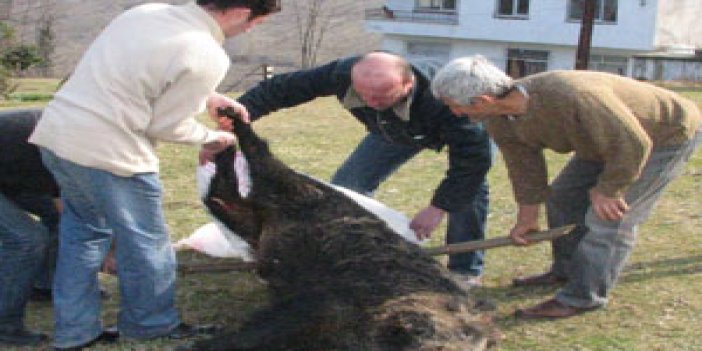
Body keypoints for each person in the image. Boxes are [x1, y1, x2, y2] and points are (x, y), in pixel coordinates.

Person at [29, 1, 281, 350]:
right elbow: (165, 124)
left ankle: (75, 331)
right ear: (240, 11)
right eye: (258, 21)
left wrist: (208, 97)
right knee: (147, 243)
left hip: (58, 136)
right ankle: (151, 324)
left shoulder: (146, 13)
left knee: (84, 234)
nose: (252, 28)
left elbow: (141, 72)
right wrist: (214, 138)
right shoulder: (207, 52)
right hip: (110, 153)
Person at [431, 55, 702, 319]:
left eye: (454, 106)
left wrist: (609, 190)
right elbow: (524, 166)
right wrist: (528, 218)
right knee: (562, 197)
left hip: (664, 135)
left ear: (482, 100)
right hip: (602, 141)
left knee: (610, 218)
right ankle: (567, 270)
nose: (456, 114)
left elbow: (633, 143)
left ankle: (584, 297)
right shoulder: (497, 118)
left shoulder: (573, 96)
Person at [229, 51, 493, 287]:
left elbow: (472, 161)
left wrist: (439, 206)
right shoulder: (342, 74)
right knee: (347, 188)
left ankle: (464, 270)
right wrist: (236, 116)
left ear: (408, 84)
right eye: (363, 94)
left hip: (445, 125)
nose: (370, 101)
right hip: (391, 130)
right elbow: (284, 88)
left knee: (468, 194)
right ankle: (349, 255)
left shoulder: (446, 100)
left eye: (380, 96)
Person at [0, 109, 59, 347]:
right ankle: (4, 323)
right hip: (12, 171)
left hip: (9, 174)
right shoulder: (53, 135)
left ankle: (43, 284)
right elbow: (62, 199)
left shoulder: (69, 125)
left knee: (58, 217)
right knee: (27, 239)